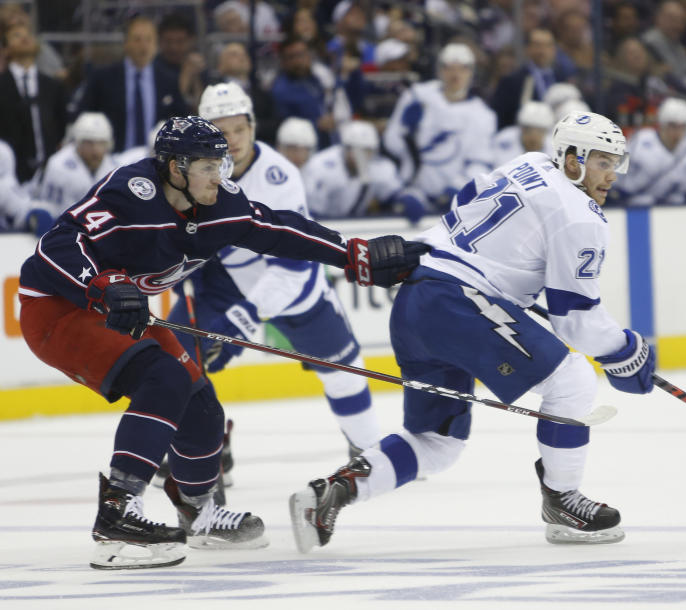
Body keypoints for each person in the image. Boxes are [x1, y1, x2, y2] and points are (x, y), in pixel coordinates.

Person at [17, 115, 426, 569]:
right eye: (209, 167)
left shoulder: (220, 203)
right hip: (59, 309)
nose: (222, 176)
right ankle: (117, 515)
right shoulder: (129, 193)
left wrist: (353, 255)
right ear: (175, 168)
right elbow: (58, 244)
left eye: (223, 164)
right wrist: (103, 284)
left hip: (120, 307)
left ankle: (199, 511)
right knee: (166, 377)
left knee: (201, 403)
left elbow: (276, 228)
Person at [289, 111, 656, 551]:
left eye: (616, 162)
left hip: (417, 296)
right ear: (573, 158)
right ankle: (562, 500)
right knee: (573, 379)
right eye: (602, 162)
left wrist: (425, 249)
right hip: (459, 303)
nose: (611, 174)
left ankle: (330, 494)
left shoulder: (530, 163)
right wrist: (625, 350)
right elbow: (576, 321)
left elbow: (461, 214)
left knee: (437, 442)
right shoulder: (581, 216)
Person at [171, 83, 390, 474]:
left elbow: (294, 264)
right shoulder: (188, 171)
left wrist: (242, 319)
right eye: (221, 132)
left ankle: (368, 448)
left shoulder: (279, 177)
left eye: (239, 129)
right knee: (182, 356)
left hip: (293, 290)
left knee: (342, 369)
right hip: (223, 280)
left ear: (253, 126)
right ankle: (205, 445)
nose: (232, 140)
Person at [382, 42, 496, 212]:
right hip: (413, 192)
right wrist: (406, 131)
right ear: (440, 70)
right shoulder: (416, 96)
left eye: (462, 68)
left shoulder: (483, 115)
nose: (455, 74)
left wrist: (459, 188)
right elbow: (392, 144)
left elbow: (480, 162)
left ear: (471, 72)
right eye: (449, 68)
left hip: (455, 201)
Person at [78, 16, 189, 152]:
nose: (143, 46)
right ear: (126, 43)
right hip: (114, 157)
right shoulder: (103, 77)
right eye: (137, 39)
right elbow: (84, 114)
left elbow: (182, 117)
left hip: (154, 159)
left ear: (156, 45)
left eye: (149, 40)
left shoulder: (168, 79)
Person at [301, 119, 426, 223]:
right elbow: (310, 211)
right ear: (346, 148)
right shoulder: (320, 166)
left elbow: (395, 192)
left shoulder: (378, 167)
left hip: (355, 225)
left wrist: (408, 198)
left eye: (368, 150)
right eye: (358, 150)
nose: (364, 156)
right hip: (323, 224)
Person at [0, 18, 69, 184]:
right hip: (11, 174)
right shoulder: (2, 85)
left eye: (28, 34)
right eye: (16, 35)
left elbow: (61, 123)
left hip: (49, 170)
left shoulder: (52, 86)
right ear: (6, 49)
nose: (25, 38)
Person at [38, 112, 120, 214]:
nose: (96, 150)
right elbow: (55, 211)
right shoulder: (58, 165)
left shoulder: (115, 167)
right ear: (78, 142)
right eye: (89, 142)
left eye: (101, 143)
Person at [492, 101, 554, 166]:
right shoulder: (504, 139)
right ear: (521, 128)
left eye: (540, 131)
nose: (533, 136)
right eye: (528, 129)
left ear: (546, 132)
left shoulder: (554, 149)